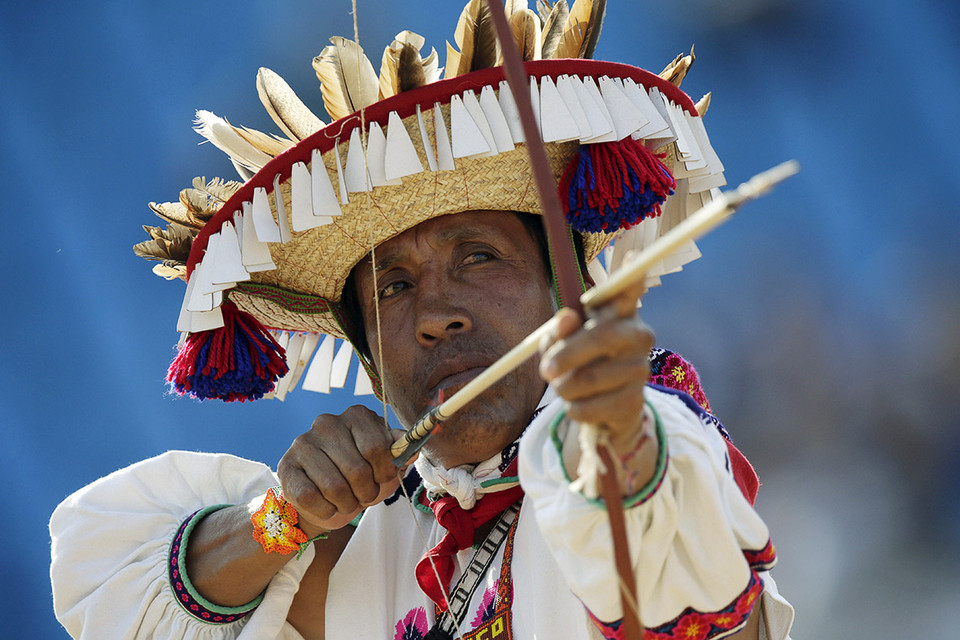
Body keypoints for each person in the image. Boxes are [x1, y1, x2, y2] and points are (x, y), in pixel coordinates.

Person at [50, 2, 795, 639]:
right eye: (394, 287)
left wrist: (622, 434)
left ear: (565, 293)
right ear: (369, 361)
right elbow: (111, 595)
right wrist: (283, 518)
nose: (435, 315)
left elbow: (670, 547)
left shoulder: (649, 438)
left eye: (477, 257)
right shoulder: (358, 548)